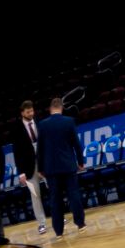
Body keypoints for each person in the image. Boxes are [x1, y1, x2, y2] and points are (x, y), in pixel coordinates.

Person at [37, 98, 87, 236]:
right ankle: (80, 223)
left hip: (51, 169)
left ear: (50, 108)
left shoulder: (42, 125)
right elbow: (76, 144)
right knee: (74, 194)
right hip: (68, 165)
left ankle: (58, 231)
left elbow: (40, 149)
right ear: (62, 108)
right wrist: (81, 162)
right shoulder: (69, 121)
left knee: (55, 199)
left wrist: (40, 169)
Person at [8, 99, 47, 236]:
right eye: (28, 111)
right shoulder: (17, 129)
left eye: (32, 110)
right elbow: (17, 152)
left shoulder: (39, 121)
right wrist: (21, 172)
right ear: (22, 113)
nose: (31, 113)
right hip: (28, 167)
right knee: (35, 195)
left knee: (53, 188)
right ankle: (42, 223)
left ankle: (59, 216)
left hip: (44, 161)